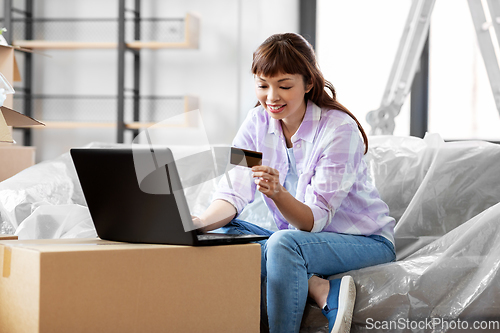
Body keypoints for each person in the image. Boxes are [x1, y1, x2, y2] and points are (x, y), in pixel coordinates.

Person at [192, 33, 395, 333]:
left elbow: (313, 220)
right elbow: (233, 189)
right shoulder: (255, 123)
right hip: (299, 242)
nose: (271, 97)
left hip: (365, 241)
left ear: (308, 83)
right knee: (223, 234)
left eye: (284, 86)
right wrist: (198, 224)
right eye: (263, 85)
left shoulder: (338, 130)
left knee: (284, 243)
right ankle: (317, 285)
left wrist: (278, 194)